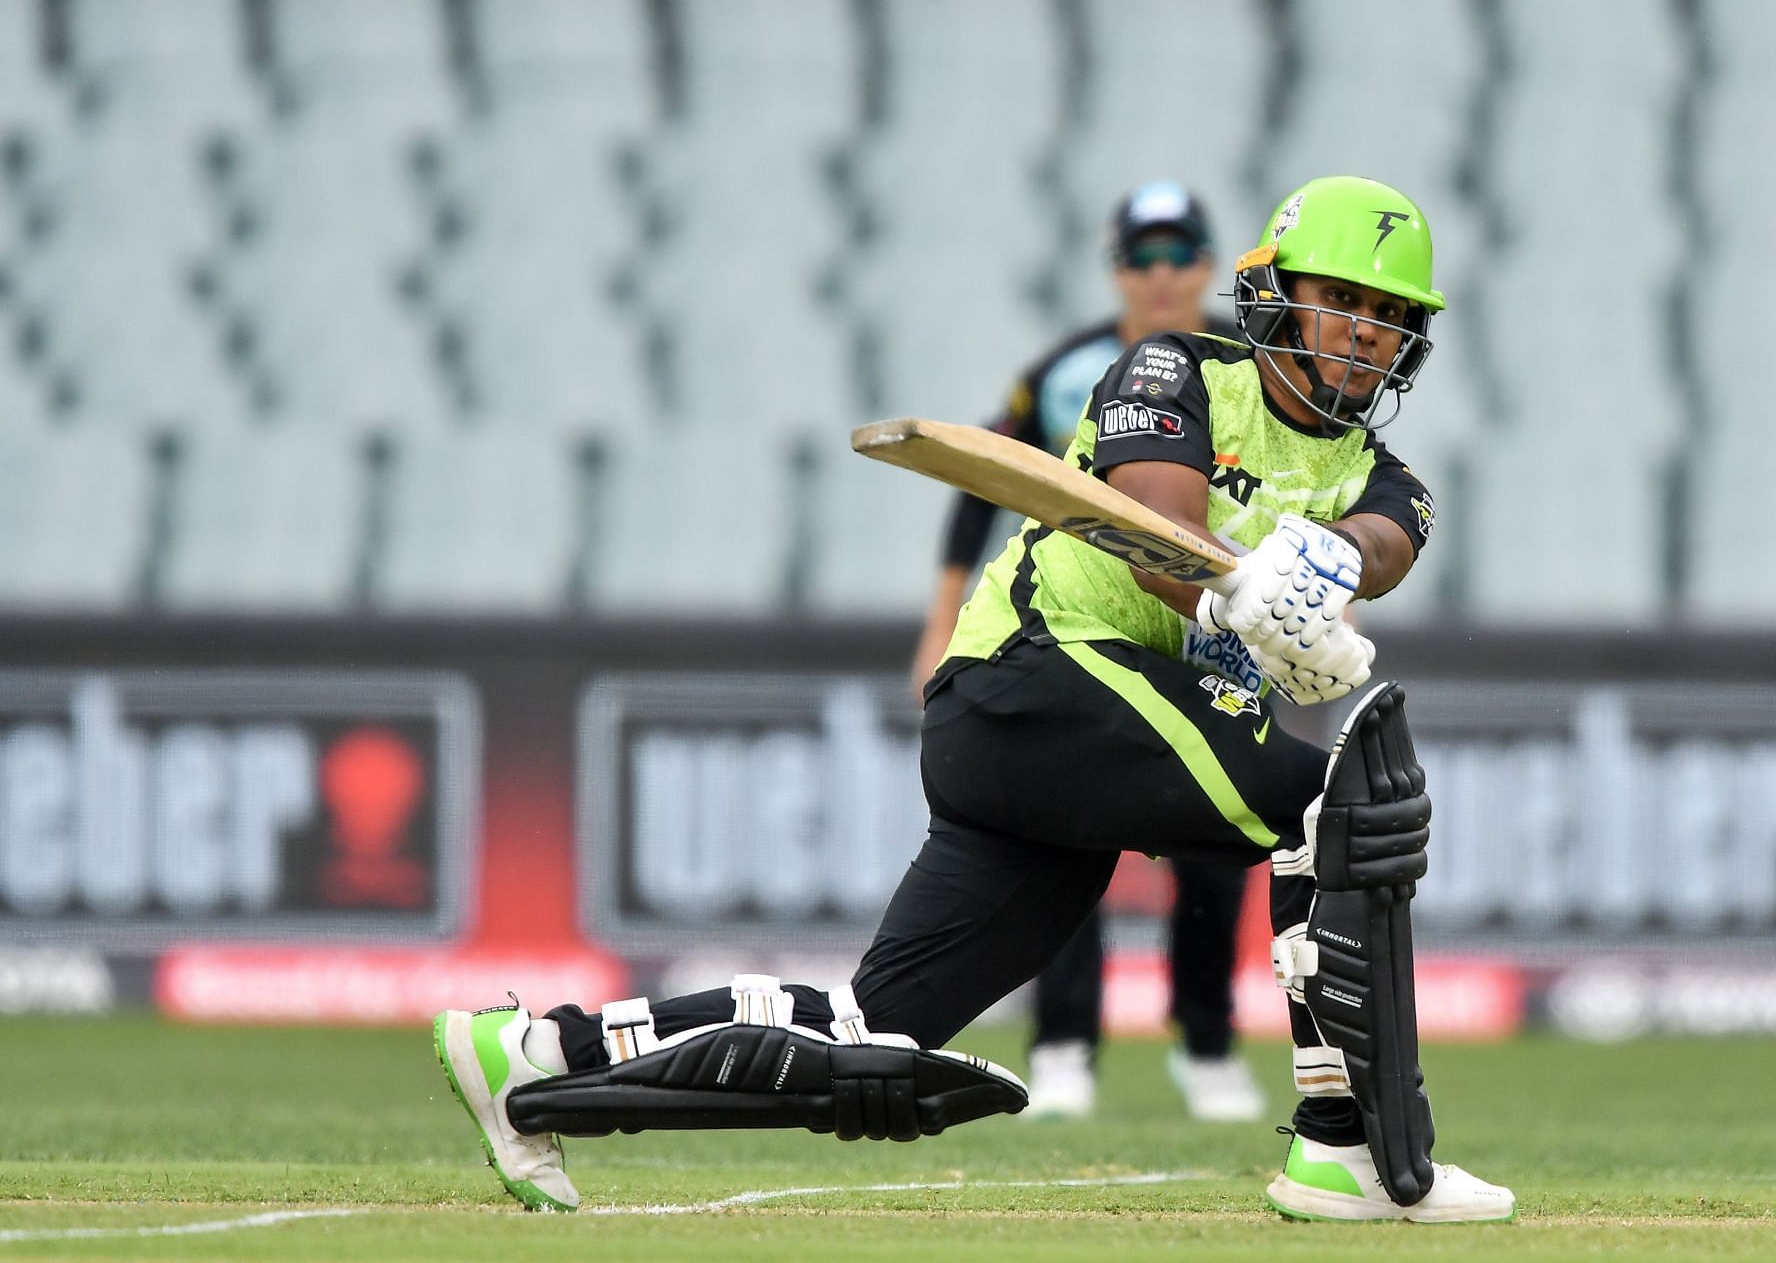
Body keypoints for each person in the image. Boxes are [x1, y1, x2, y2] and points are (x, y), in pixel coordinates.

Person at [433, 176, 1515, 1224]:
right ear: (1277, 293)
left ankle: (534, 1055)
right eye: (1344, 300)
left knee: (870, 1032)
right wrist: (1244, 589)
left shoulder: (1388, 477)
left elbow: (1385, 546)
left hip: (1064, 749)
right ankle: (1348, 1147)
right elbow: (1153, 530)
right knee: (1339, 805)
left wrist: (1318, 573)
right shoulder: (1174, 367)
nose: (1367, 331)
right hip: (1038, 673)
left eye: (1390, 315)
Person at [911, 180, 1265, 1122]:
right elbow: (980, 482)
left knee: (1216, 845)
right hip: (1084, 627)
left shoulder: (1246, 364)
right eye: (1139, 259)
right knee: (1072, 829)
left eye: (1179, 256)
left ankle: (1209, 1045)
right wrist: (941, 620)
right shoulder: (1066, 371)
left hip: (1207, 628)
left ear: (1206, 264)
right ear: (1116, 270)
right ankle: (1065, 1045)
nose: (1160, 277)